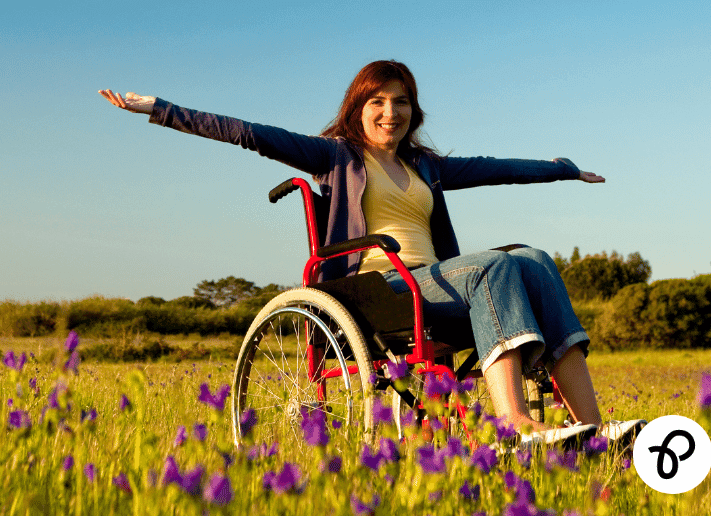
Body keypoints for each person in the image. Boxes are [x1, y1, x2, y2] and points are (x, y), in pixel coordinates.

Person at [99, 60, 644, 446]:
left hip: (434, 283)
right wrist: (161, 109)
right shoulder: (335, 155)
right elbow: (248, 133)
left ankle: (594, 428)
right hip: (378, 290)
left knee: (535, 259)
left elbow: (497, 168)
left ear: (414, 111)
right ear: (358, 108)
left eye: (401, 102)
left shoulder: (425, 165)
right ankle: (515, 425)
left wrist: (562, 170)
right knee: (497, 265)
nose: (391, 112)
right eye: (378, 102)